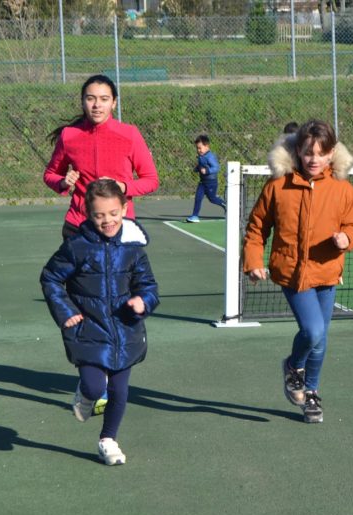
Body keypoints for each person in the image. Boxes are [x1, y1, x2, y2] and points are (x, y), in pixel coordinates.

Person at [242, 120, 353, 424]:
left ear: (331, 154)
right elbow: (257, 228)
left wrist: (347, 238)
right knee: (313, 331)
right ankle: (293, 366)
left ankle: (310, 391)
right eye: (308, 152)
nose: (314, 159)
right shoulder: (277, 187)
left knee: (321, 340)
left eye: (321, 153)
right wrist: (254, 262)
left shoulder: (342, 189)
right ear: (298, 150)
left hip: (327, 271)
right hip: (291, 272)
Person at [41, 179, 159, 465]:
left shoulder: (133, 247)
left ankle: (108, 439)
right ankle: (85, 395)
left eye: (113, 213)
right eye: (99, 215)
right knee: (95, 387)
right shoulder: (77, 246)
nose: (107, 221)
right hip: (88, 328)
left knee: (120, 390)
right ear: (88, 214)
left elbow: (148, 285)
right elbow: (51, 277)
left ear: (124, 209)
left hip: (125, 328)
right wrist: (65, 310)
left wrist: (143, 302)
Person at [44, 74, 159, 240]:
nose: (97, 105)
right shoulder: (68, 136)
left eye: (104, 99)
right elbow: (50, 174)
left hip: (119, 226)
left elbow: (151, 180)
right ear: (82, 102)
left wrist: (123, 187)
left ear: (113, 103)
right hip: (78, 226)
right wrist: (63, 182)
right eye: (90, 98)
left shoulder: (130, 134)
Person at [185, 134, 226, 223]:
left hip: (211, 182)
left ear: (207, 146)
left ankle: (226, 206)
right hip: (202, 182)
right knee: (198, 198)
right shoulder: (201, 155)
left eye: (200, 148)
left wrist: (207, 170)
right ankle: (195, 216)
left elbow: (216, 168)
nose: (198, 150)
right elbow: (201, 165)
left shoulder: (210, 156)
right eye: (197, 148)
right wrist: (197, 168)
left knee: (212, 199)